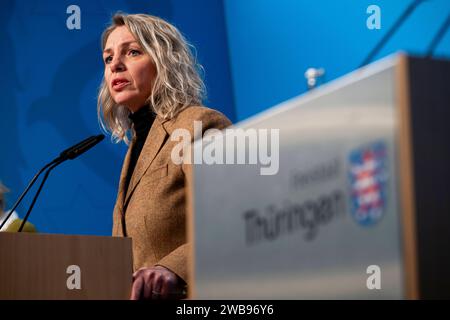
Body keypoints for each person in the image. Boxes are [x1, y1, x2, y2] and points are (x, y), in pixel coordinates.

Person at [97, 13, 232, 300]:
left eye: (132, 52)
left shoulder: (199, 125)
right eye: (108, 59)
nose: (115, 65)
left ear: (164, 61)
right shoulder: (137, 146)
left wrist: (173, 269)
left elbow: (231, 220)